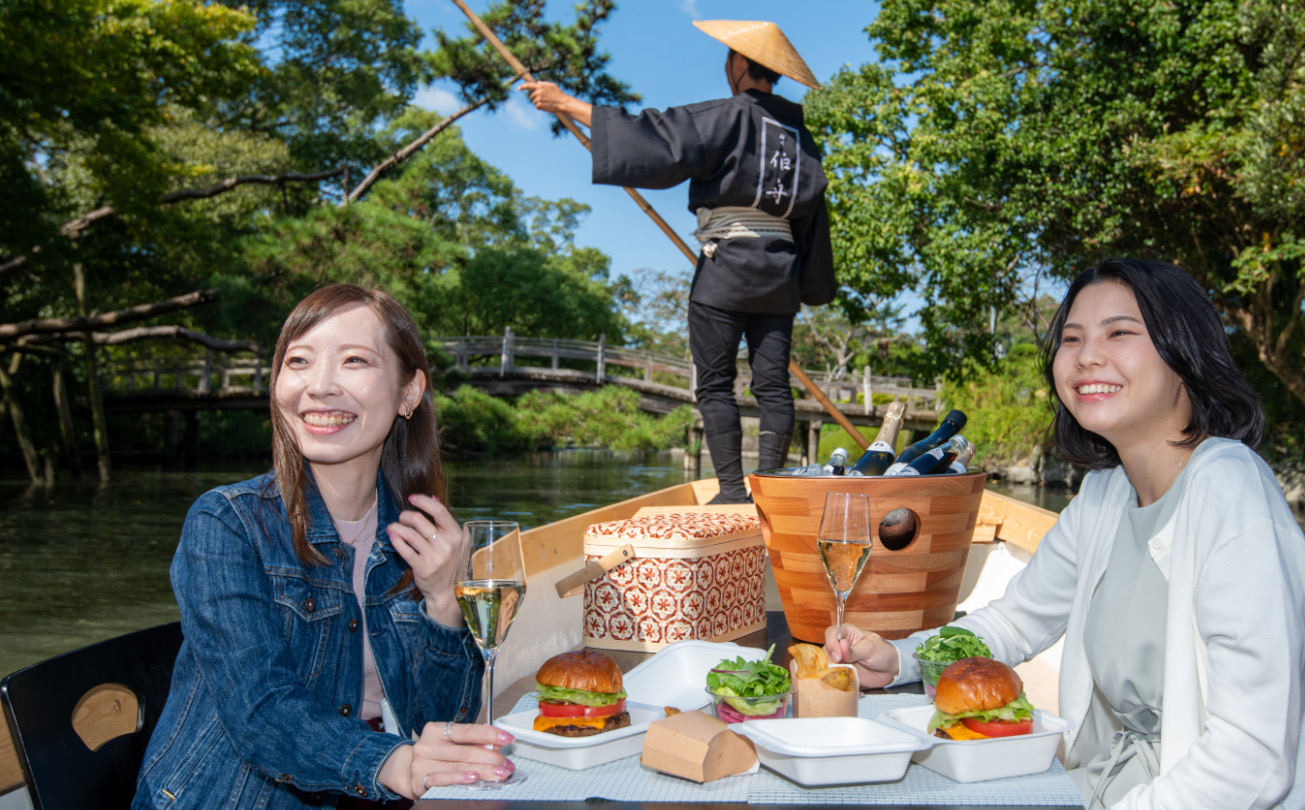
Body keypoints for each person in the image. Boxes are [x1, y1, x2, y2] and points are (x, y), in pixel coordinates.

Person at [826, 259, 1305, 809]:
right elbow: (1015, 623)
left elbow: (1254, 759)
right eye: (1072, 339)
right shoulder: (1106, 496)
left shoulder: (1230, 491)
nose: (1087, 355)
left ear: (1184, 352)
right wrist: (901, 660)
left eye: (1120, 332)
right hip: (1104, 785)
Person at [133, 285, 514, 809]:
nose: (319, 386)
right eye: (299, 362)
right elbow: (261, 713)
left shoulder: (421, 534)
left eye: (354, 360)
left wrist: (444, 603)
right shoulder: (227, 524)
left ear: (408, 392)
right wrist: (390, 762)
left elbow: (438, 727)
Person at [521, 20, 836, 504]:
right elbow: (813, 217)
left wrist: (564, 103)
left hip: (726, 268)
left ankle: (732, 492)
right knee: (772, 386)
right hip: (780, 274)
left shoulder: (727, 115)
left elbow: (658, 140)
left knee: (714, 383)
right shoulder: (804, 139)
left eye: (728, 57)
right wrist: (807, 284)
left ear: (739, 64)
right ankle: (771, 493)